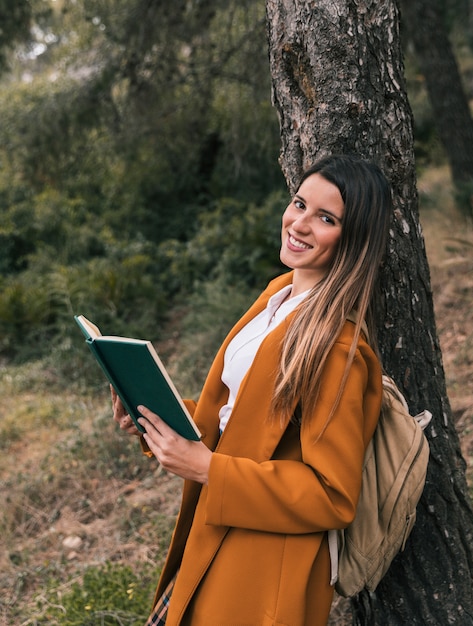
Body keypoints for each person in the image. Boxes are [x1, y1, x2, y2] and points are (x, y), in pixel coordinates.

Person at [112, 154, 392, 626]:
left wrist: (209, 471)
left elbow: (332, 495)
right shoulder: (277, 297)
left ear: (355, 238)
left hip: (264, 563)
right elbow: (243, 418)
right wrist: (154, 413)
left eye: (326, 218)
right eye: (299, 203)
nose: (300, 224)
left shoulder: (337, 346)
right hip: (217, 533)